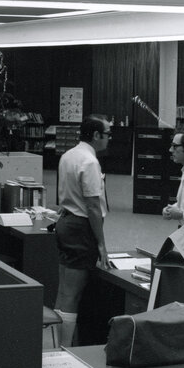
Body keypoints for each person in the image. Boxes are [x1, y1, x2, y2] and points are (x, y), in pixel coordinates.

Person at [53, 114, 111, 346]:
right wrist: (101, 243)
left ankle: (55, 343)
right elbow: (93, 207)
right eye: (107, 134)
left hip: (65, 222)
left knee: (63, 291)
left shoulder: (69, 155)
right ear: (96, 135)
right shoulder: (90, 162)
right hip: (80, 228)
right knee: (73, 295)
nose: (109, 139)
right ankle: (62, 350)